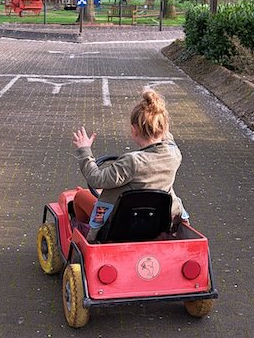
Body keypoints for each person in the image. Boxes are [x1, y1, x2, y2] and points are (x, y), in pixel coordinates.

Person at [72, 89, 189, 241]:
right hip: (157, 220)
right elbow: (167, 138)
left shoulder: (132, 162)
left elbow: (96, 178)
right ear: (164, 128)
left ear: (134, 130)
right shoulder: (173, 154)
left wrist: (84, 151)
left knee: (80, 195)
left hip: (120, 223)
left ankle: (85, 236)